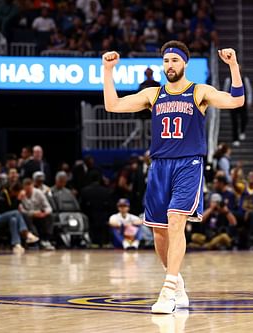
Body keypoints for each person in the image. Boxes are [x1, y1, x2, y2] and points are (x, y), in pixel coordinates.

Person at [102, 40, 244, 314]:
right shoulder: (153, 95)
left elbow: (236, 100)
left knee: (176, 220)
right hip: (159, 166)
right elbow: (112, 105)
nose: (170, 65)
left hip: (188, 164)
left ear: (185, 63)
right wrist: (107, 71)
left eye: (175, 61)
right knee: (159, 232)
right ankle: (177, 282)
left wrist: (233, 66)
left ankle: (167, 291)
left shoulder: (198, 91)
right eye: (166, 61)